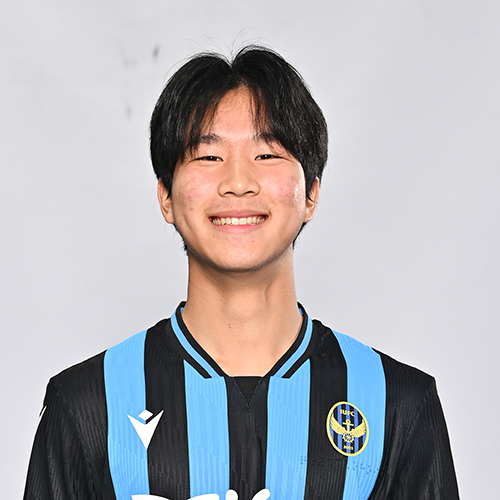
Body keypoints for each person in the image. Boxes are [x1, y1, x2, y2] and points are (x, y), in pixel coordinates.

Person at [23, 46, 459, 500]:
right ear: (166, 196)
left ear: (311, 193)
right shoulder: (88, 403)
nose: (237, 183)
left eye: (267, 155)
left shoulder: (397, 403)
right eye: (208, 156)